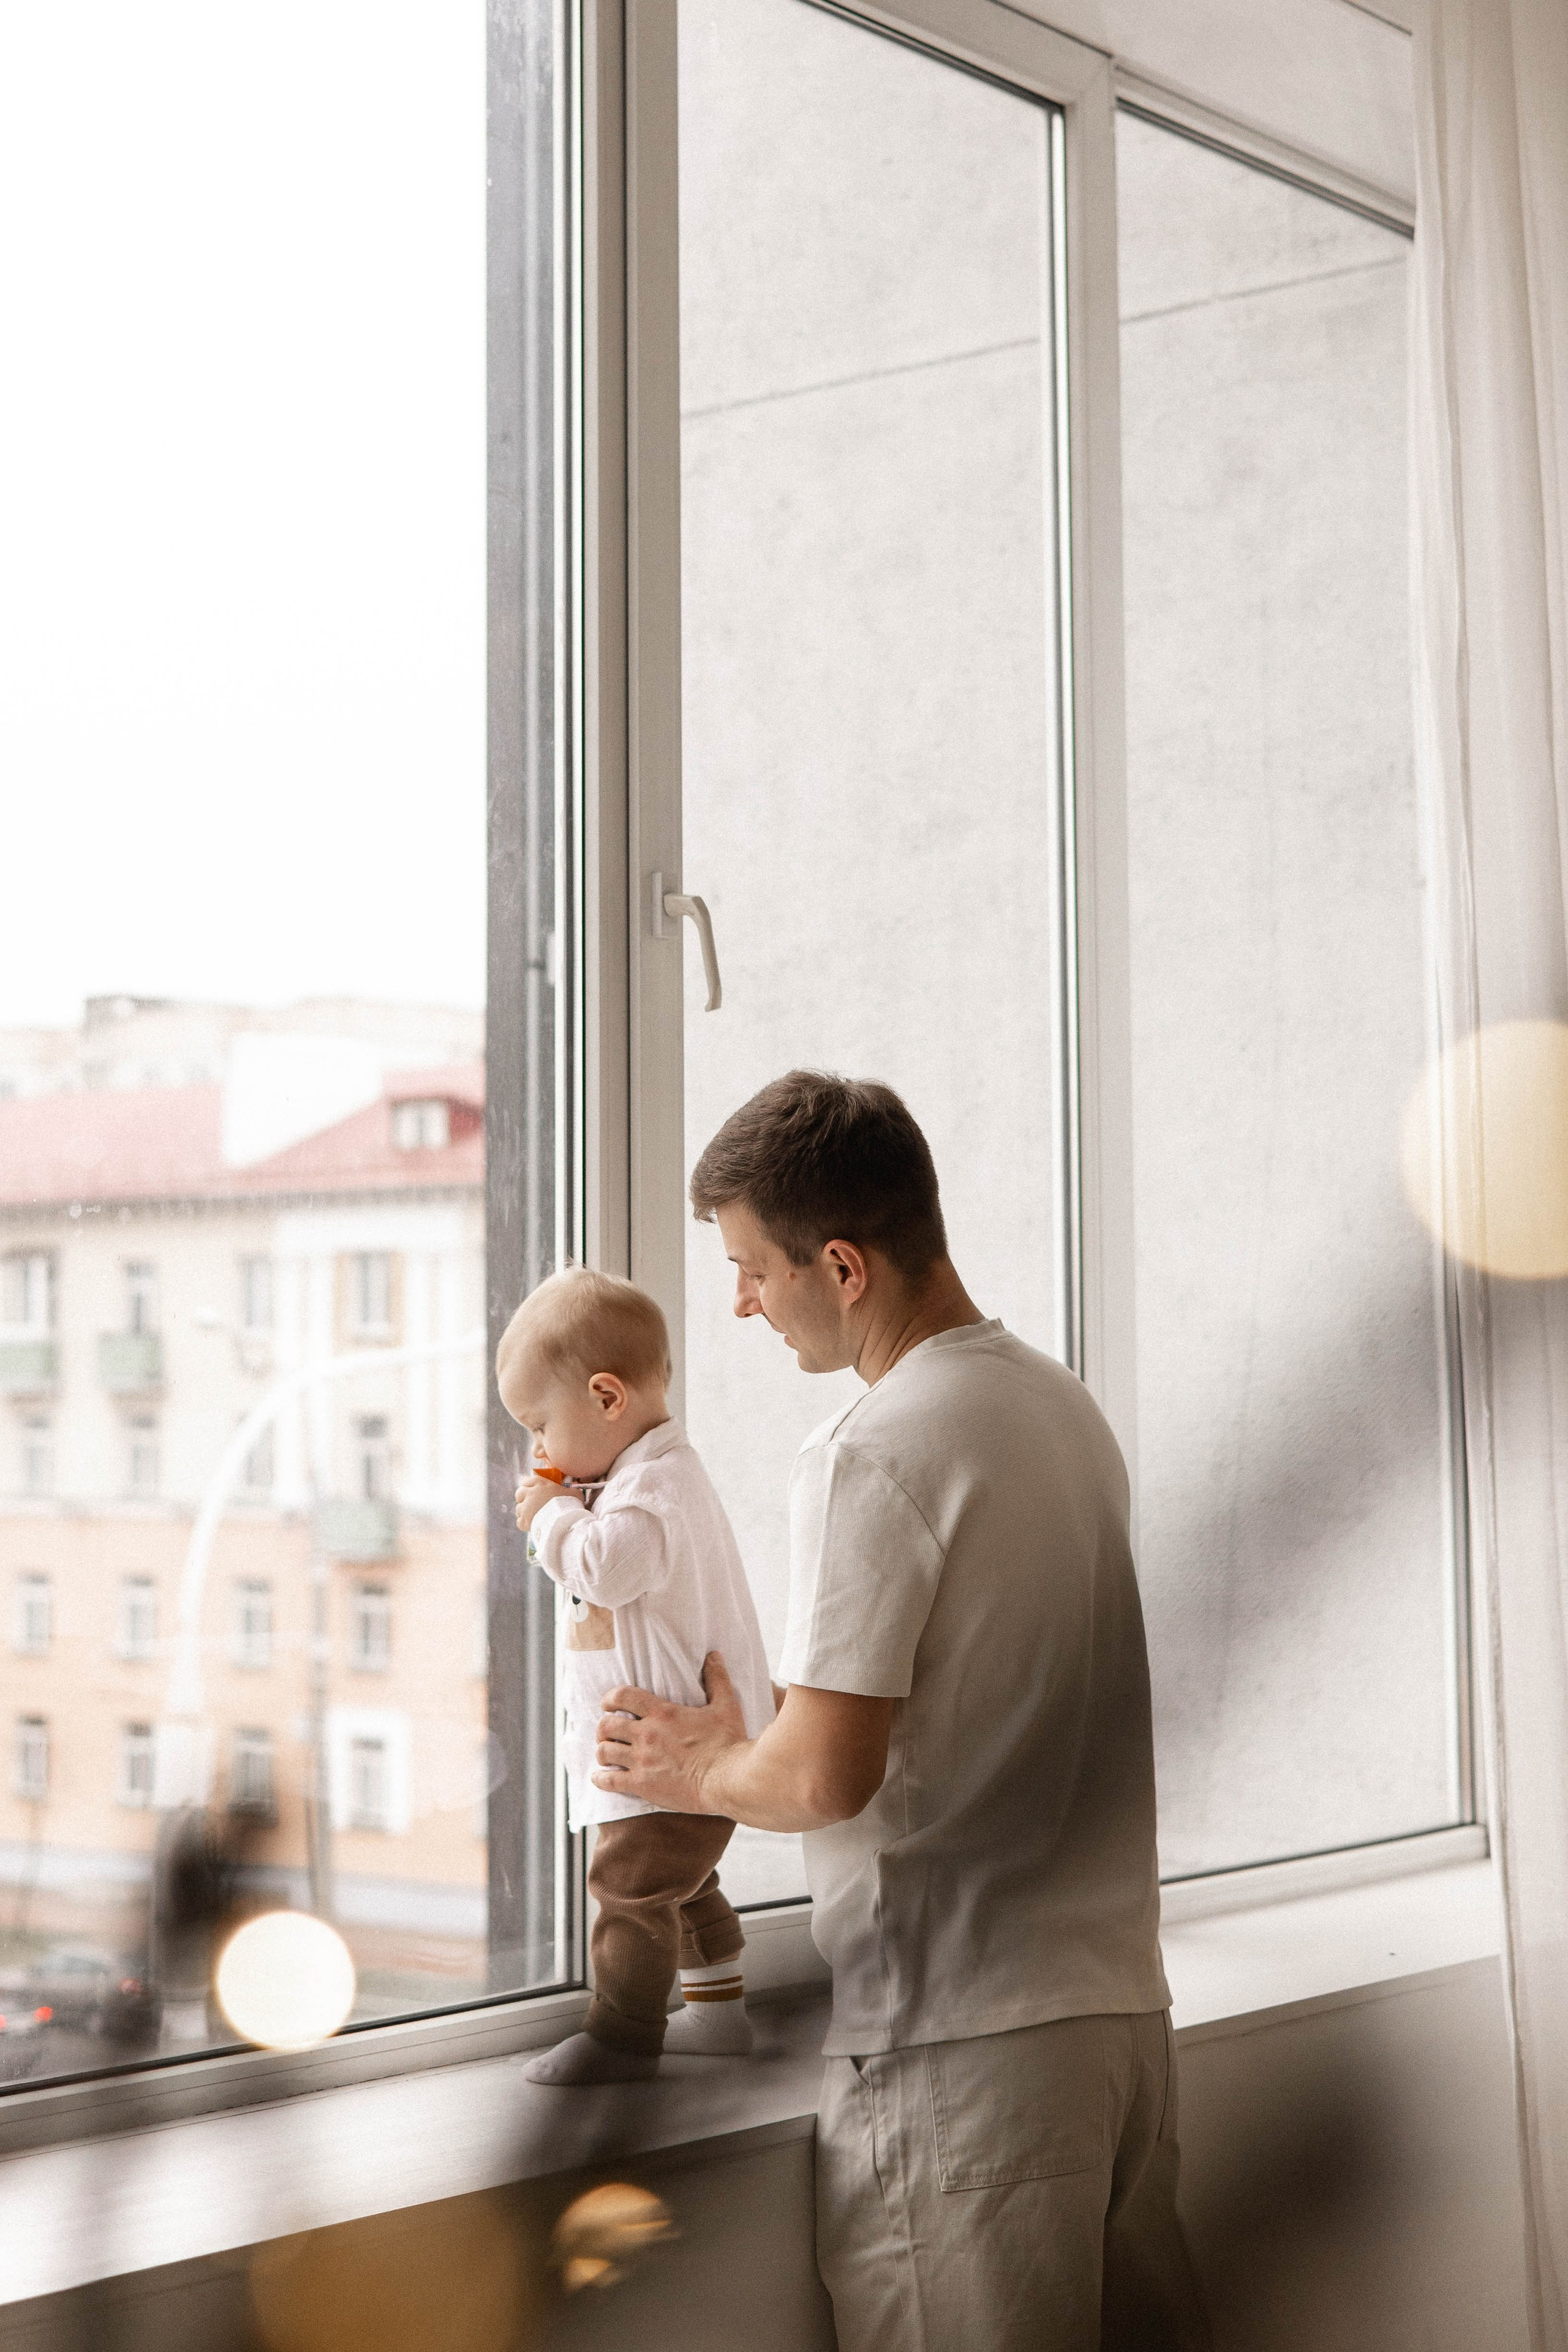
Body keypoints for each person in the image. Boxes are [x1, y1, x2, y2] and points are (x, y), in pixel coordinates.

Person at [589, 1072, 1212, 2350]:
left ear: (841, 1263)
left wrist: (695, 1766)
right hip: (1117, 2028)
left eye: (754, 1271)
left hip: (962, 2059)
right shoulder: (1059, 1408)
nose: (742, 1304)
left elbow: (823, 1778)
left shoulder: (873, 1449)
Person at [499, 1266, 775, 2086]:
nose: (539, 1450)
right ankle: (721, 2018)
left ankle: (622, 2036)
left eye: (541, 1425)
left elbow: (607, 1567)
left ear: (608, 1398)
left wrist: (551, 1515)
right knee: (685, 1885)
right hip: (672, 1752)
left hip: (673, 1752)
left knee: (629, 1888)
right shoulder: (637, 1479)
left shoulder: (652, 1488)